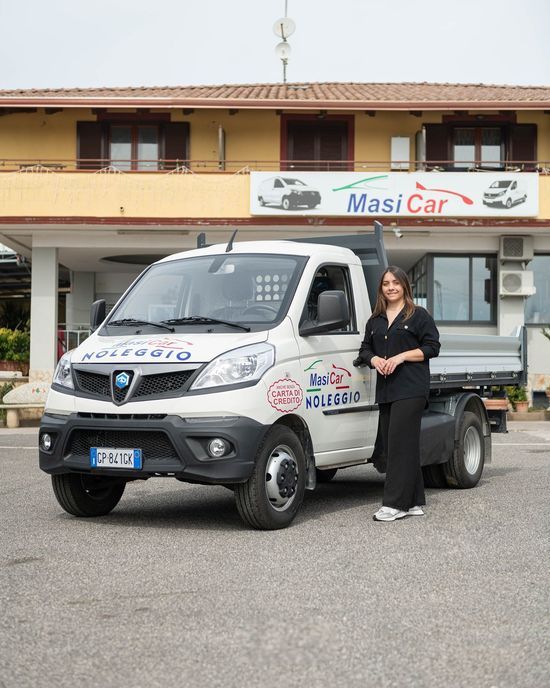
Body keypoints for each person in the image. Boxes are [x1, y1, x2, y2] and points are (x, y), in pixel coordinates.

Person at [353, 266, 440, 522]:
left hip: (411, 388)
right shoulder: (375, 320)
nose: (390, 287)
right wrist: (375, 360)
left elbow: (432, 347)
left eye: (395, 283)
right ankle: (413, 502)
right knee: (400, 446)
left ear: (404, 286)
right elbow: (364, 350)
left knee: (399, 445)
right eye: (386, 283)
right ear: (381, 288)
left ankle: (395, 504)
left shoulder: (418, 316)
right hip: (387, 390)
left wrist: (401, 357)